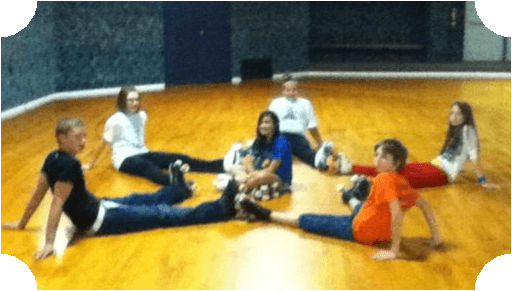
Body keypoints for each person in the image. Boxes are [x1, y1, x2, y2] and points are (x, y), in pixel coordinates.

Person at [2, 118, 238, 260]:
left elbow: (38, 194)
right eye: (77, 137)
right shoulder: (68, 164)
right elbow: (55, 202)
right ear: (61, 138)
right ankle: (220, 209)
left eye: (84, 136)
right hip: (100, 220)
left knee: (141, 198)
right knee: (160, 214)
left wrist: (22, 223)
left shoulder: (52, 158)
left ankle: (180, 189)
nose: (83, 142)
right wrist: (50, 242)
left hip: (99, 205)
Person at [239, 139, 443, 261]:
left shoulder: (383, 180)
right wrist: (435, 236)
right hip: (374, 225)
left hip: (359, 230)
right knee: (361, 205)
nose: (377, 160)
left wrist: (394, 250)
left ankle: (265, 213)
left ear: (396, 162)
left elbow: (397, 213)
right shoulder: (402, 181)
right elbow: (425, 205)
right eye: (377, 155)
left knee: (307, 219)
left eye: (384, 158)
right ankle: (350, 196)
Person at [84, 86, 236, 185]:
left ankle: (220, 165)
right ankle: (175, 182)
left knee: (178, 158)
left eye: (137, 99)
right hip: (124, 160)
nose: (134, 103)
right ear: (122, 101)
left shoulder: (142, 116)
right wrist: (91, 164)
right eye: (130, 100)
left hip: (144, 153)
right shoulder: (115, 120)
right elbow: (104, 142)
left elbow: (143, 113)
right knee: (148, 168)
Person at [335, 101, 499, 190]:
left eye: (458, 113)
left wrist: (482, 180)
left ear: (466, 116)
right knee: (394, 167)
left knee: (401, 177)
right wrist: (461, 166)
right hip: (435, 164)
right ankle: (350, 167)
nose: (454, 116)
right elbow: (461, 154)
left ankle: (365, 178)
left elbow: (474, 156)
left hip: (443, 174)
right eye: (452, 113)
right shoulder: (456, 130)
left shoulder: (467, 131)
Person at [268, 78, 334, 170]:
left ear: (297, 90)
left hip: (298, 137)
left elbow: (312, 126)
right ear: (283, 91)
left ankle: (323, 157)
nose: (291, 93)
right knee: (274, 157)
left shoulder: (306, 103)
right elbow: (269, 123)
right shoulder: (275, 103)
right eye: (288, 90)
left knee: (310, 158)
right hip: (280, 136)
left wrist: (320, 143)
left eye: (294, 90)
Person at [237, 111, 292, 193]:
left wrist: (252, 175)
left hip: (279, 179)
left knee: (259, 178)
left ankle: (242, 188)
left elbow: (271, 170)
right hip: (258, 172)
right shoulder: (261, 139)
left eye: (267, 123)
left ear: (275, 125)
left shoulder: (281, 142)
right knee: (237, 165)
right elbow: (248, 158)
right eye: (261, 123)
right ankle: (249, 184)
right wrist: (252, 172)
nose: (263, 126)